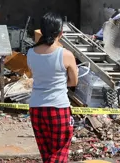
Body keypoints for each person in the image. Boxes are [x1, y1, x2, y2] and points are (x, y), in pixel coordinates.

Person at [27, 12, 79, 163]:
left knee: (47, 152)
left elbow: (34, 75)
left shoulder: (30, 53)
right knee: (59, 152)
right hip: (58, 107)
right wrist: (62, 82)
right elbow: (74, 82)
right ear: (61, 32)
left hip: (36, 108)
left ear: (41, 31)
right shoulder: (66, 55)